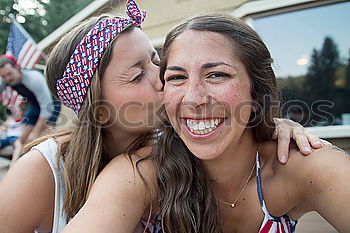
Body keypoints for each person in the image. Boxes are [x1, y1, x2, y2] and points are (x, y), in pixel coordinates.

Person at [0, 2, 327, 233]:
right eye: (138, 74)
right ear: (97, 108)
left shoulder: (185, 144)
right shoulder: (44, 170)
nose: (166, 76)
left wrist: (272, 126)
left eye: (156, 60)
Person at [0, 55, 61, 144]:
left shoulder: (34, 79)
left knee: (40, 141)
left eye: (9, 74)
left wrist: (35, 131)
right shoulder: (6, 80)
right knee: (22, 141)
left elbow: (47, 107)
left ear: (17, 67)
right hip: (35, 106)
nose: (7, 78)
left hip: (51, 105)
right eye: (3, 76)